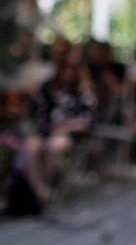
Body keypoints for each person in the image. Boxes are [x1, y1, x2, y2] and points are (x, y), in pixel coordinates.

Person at [24, 52, 95, 205]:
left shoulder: (83, 92)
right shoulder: (47, 88)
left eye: (73, 68)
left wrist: (62, 126)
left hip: (68, 134)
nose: (68, 72)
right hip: (45, 130)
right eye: (65, 67)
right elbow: (36, 112)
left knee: (55, 145)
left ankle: (44, 187)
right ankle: (40, 191)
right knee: (31, 146)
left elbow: (86, 122)